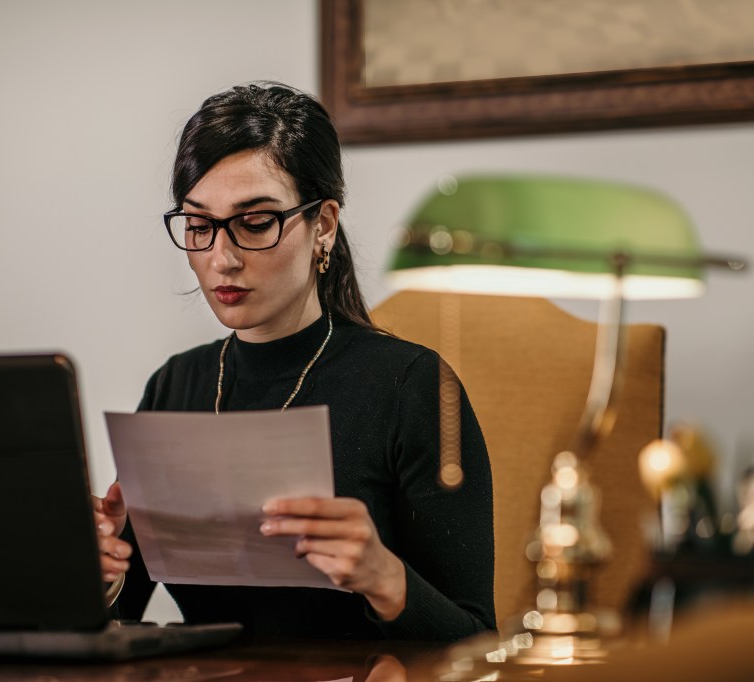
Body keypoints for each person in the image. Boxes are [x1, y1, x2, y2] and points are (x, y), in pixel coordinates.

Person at [93, 82, 495, 641]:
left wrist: (385, 578)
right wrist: (103, 577)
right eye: (199, 225)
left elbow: (477, 644)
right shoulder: (176, 385)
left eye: (255, 222)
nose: (221, 258)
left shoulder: (409, 386)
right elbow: (121, 622)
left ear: (324, 225)